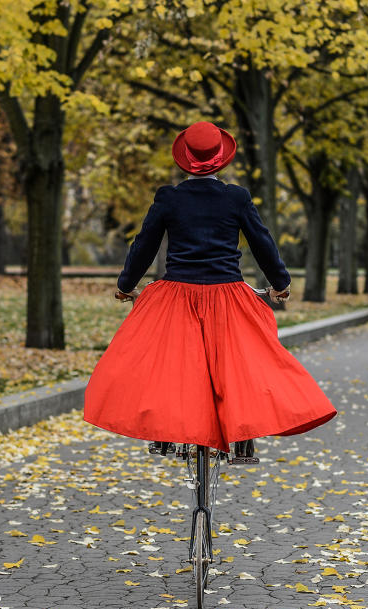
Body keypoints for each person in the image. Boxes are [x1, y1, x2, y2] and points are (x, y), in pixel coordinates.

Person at [83, 121, 337, 459]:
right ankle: (244, 435)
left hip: (177, 293)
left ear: (184, 160)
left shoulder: (169, 198)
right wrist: (280, 283)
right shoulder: (236, 197)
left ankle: (165, 431)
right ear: (221, 159)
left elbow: (143, 244)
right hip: (227, 293)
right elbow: (262, 243)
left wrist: (126, 285)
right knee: (244, 358)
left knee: (166, 358)